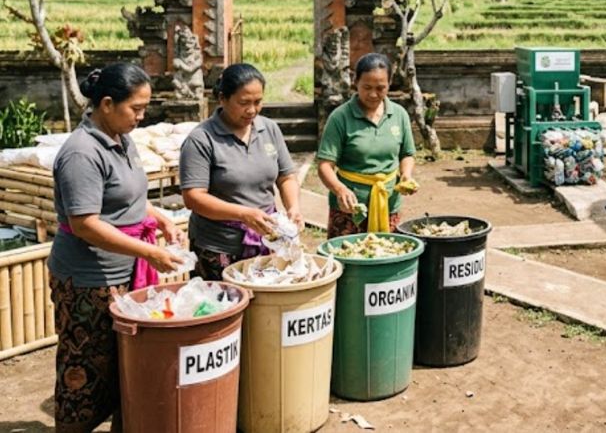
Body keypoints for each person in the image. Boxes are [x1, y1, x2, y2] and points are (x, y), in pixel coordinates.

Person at [48, 63, 183, 433]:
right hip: (89, 281)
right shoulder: (81, 153)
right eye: (135, 109)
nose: (141, 117)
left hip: (124, 272)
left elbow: (130, 199)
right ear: (106, 104)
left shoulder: (123, 140)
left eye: (144, 109)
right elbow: (85, 223)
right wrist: (150, 253)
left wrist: (162, 218)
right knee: (86, 368)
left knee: (127, 364)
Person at [180, 63, 301, 280]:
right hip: (219, 247)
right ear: (222, 99)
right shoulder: (201, 139)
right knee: (225, 308)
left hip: (267, 239)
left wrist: (293, 208)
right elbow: (193, 197)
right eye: (244, 103)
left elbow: (286, 176)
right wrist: (243, 214)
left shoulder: (269, 129)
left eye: (258, 102)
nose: (252, 110)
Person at [317, 52, 417, 238]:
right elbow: (325, 165)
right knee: (347, 258)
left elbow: (407, 154)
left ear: (390, 83)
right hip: (350, 208)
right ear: (356, 82)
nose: (373, 94)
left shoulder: (399, 115)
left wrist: (406, 176)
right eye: (367, 87)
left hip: (388, 203)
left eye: (380, 88)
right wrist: (340, 190)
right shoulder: (340, 117)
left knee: (385, 255)